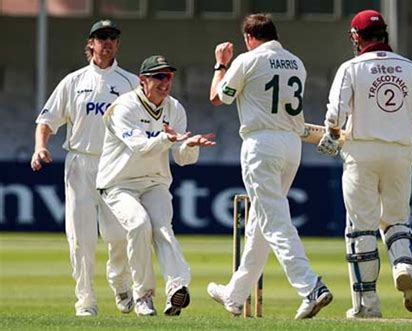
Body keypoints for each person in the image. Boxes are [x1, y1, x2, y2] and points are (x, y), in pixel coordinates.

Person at [317, 10, 412, 318]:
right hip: (400, 153)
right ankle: (404, 267)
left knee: (360, 227)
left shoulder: (350, 68)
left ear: (356, 37)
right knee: (396, 221)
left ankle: (367, 306)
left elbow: (335, 115)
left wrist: (332, 137)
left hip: (360, 153)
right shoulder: (409, 68)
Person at [207, 13, 333, 320]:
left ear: (250, 38)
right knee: (260, 223)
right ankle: (235, 295)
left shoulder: (247, 61)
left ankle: (310, 286)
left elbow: (216, 97)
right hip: (291, 146)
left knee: (274, 220)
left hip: (261, 145)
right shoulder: (296, 63)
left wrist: (221, 63)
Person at [31, 19, 139, 316]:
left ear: (118, 44)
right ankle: (86, 301)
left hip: (116, 165)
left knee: (119, 235)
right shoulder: (73, 81)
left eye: (112, 38)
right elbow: (46, 121)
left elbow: (148, 120)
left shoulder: (130, 82)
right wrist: (41, 147)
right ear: (90, 43)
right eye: (101, 37)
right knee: (81, 238)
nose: (107, 43)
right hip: (80, 162)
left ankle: (119, 282)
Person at [96, 55, 215, 317]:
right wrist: (166, 138)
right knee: (137, 226)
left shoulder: (175, 108)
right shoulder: (123, 108)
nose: (165, 82)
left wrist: (190, 146)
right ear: (142, 81)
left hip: (155, 182)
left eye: (168, 76)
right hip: (118, 183)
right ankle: (137, 292)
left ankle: (174, 289)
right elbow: (139, 147)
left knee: (162, 228)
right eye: (158, 76)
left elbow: (181, 158)